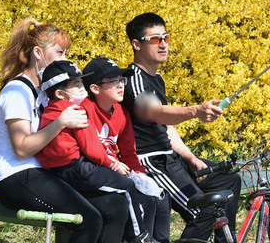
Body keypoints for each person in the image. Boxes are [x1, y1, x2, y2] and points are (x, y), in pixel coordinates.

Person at [0, 18, 129, 243]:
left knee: (116, 206)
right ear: (38, 53)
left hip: (45, 173)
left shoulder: (45, 92)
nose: (65, 59)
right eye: (60, 52)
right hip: (16, 177)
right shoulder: (16, 92)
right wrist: (61, 123)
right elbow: (21, 148)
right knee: (88, 219)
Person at [120, 13, 242, 243]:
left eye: (166, 37)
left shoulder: (157, 79)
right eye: (155, 39)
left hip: (171, 159)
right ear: (136, 45)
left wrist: (191, 158)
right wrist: (195, 111)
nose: (164, 44)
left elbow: (165, 126)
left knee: (229, 181)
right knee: (205, 211)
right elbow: (155, 112)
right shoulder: (133, 78)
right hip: (150, 162)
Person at [36, 60, 159, 243]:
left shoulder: (50, 111)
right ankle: (138, 236)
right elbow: (91, 147)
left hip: (57, 174)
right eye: (77, 85)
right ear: (61, 94)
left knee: (121, 196)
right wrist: (112, 164)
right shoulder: (75, 111)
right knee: (127, 187)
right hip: (78, 168)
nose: (82, 87)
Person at [82, 57, 171, 243]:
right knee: (142, 202)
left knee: (159, 199)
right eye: (112, 81)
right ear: (95, 88)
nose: (120, 85)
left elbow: (129, 152)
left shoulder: (122, 113)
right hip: (97, 174)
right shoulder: (85, 109)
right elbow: (88, 151)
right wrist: (114, 165)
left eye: (121, 80)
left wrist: (139, 174)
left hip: (119, 173)